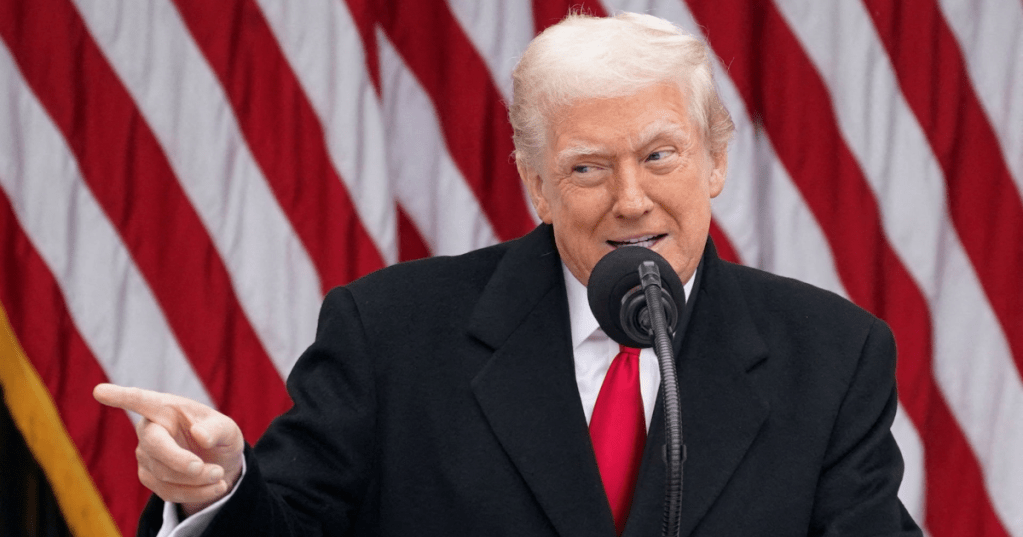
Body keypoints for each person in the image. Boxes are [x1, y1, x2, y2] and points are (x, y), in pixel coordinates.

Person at [95, 12, 922, 537]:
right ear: (535, 185)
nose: (631, 200)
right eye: (588, 168)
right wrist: (217, 492)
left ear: (714, 159)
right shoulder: (391, 333)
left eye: (660, 155)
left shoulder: (831, 353)